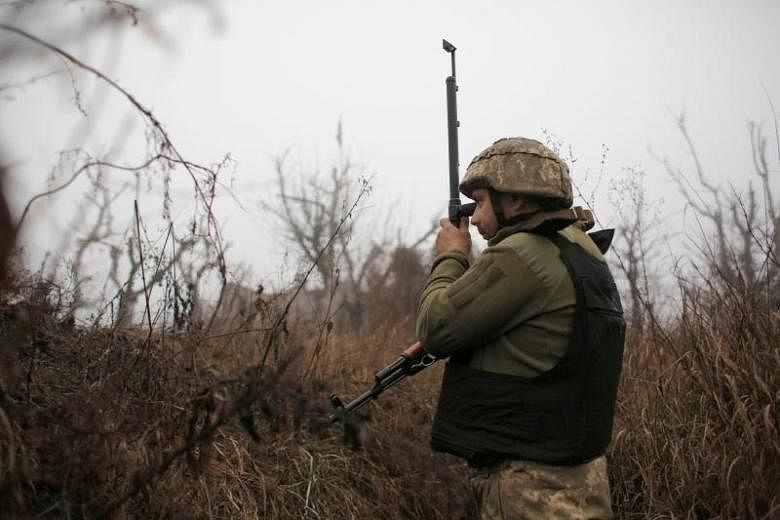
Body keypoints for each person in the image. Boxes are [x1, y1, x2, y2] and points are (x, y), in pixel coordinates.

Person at [416, 137, 625, 519]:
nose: (474, 218)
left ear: (514, 201)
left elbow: (435, 328)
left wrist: (450, 256)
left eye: (479, 202)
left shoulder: (523, 253)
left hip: (529, 488)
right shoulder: (582, 248)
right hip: (579, 480)